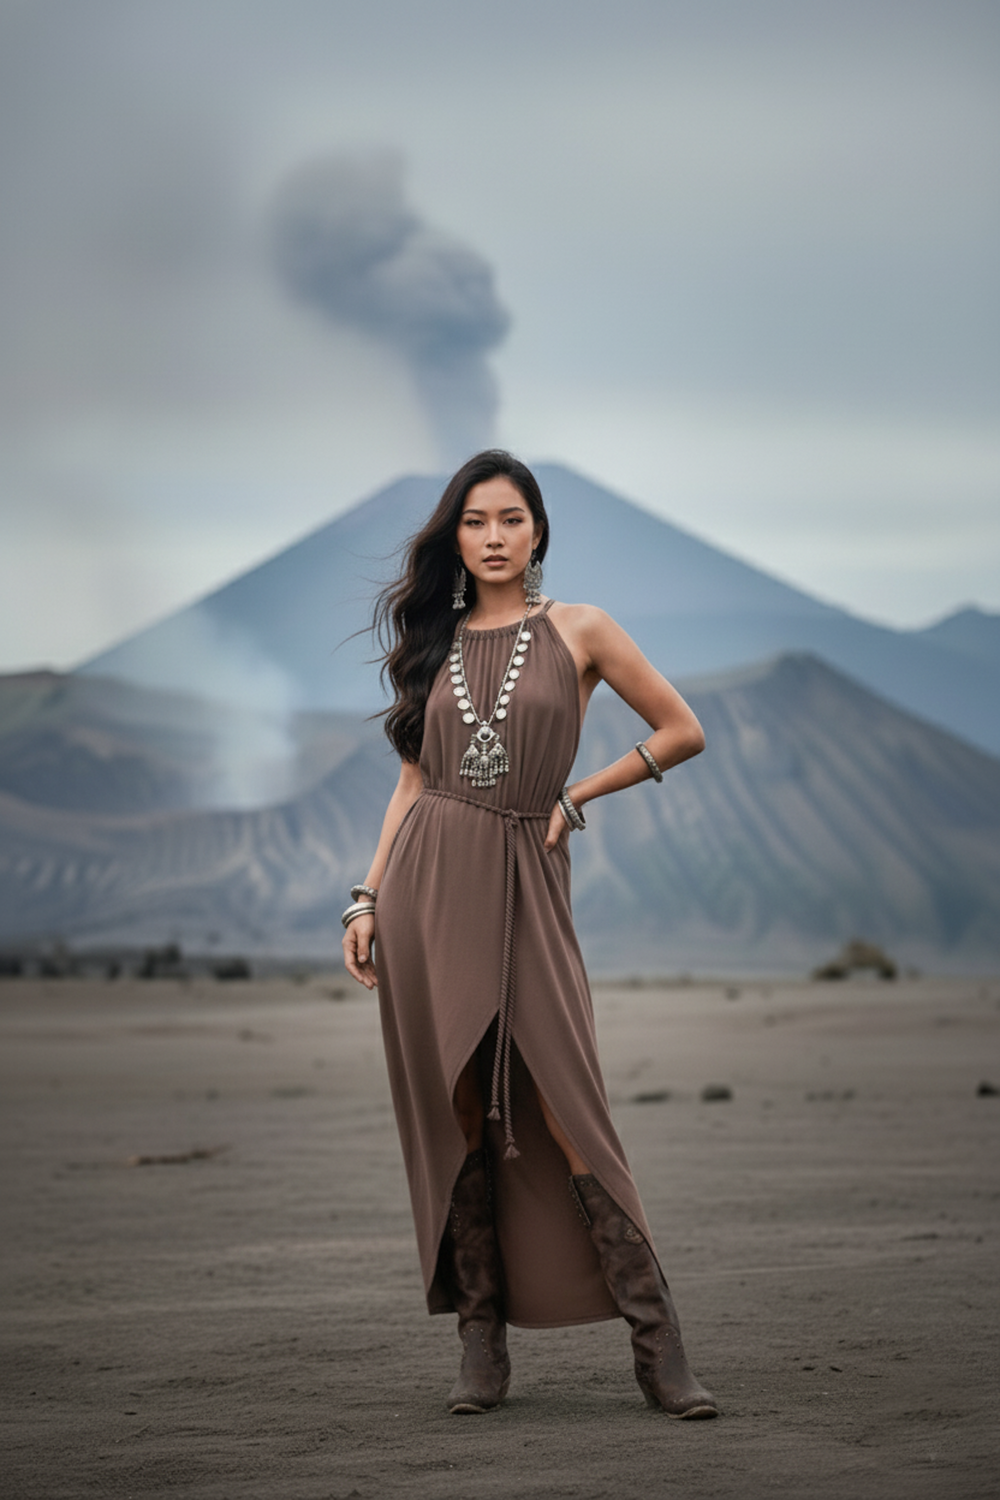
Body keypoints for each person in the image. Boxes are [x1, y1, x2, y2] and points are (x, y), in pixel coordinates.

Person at [342, 450, 717, 1420]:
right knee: (462, 1104)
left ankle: (657, 1345)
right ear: (455, 537)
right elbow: (412, 786)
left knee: (564, 1101)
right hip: (427, 879)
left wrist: (582, 793)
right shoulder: (434, 642)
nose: (495, 536)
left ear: (537, 530)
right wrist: (366, 898)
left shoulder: (582, 628)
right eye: (475, 521)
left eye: (511, 518)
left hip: (528, 868)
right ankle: (480, 1343)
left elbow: (681, 729)